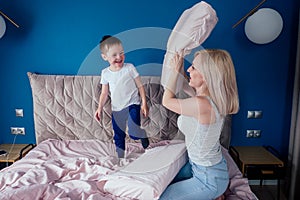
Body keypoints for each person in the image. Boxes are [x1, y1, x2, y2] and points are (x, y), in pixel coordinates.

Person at [160, 49, 239, 200]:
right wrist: (180, 67)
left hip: (208, 178)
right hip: (201, 167)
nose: (189, 69)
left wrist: (175, 72)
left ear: (206, 76)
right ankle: (214, 194)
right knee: (160, 182)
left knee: (162, 198)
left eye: (194, 67)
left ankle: (213, 192)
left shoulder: (202, 104)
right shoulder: (209, 98)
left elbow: (166, 101)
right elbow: (185, 85)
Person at [94, 35, 150, 158]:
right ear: (105, 57)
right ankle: (120, 157)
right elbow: (104, 93)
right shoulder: (105, 73)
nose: (119, 57)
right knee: (118, 134)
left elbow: (140, 86)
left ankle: (142, 135)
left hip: (132, 105)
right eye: (114, 55)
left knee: (134, 133)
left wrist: (144, 103)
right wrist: (99, 108)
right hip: (117, 109)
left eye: (122, 53)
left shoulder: (129, 68)